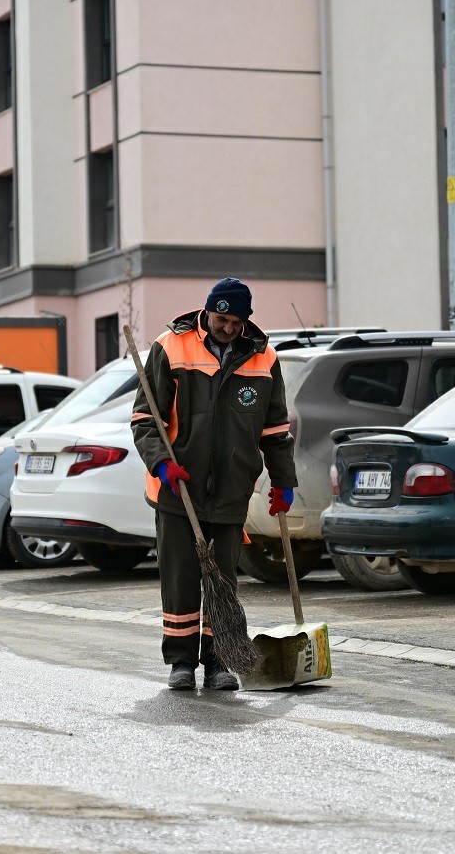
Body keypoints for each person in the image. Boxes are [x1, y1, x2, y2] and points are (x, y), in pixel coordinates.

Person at [131, 277, 298, 691]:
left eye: (235, 321)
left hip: (231, 488)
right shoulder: (170, 347)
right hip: (178, 488)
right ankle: (181, 662)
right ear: (208, 312)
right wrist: (161, 464)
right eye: (221, 319)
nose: (227, 328)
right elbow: (143, 420)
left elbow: (275, 430)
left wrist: (284, 482)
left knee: (223, 578)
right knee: (181, 577)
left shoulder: (263, 358)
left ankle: (221, 662)